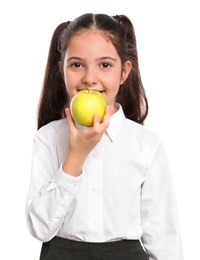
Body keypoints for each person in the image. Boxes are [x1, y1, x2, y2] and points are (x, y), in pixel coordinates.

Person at [26, 13, 184, 260]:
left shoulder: (146, 145)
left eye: (105, 65)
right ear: (62, 70)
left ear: (124, 72)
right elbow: (40, 228)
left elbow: (164, 241)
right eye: (77, 64)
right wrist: (75, 157)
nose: (90, 78)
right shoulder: (48, 138)